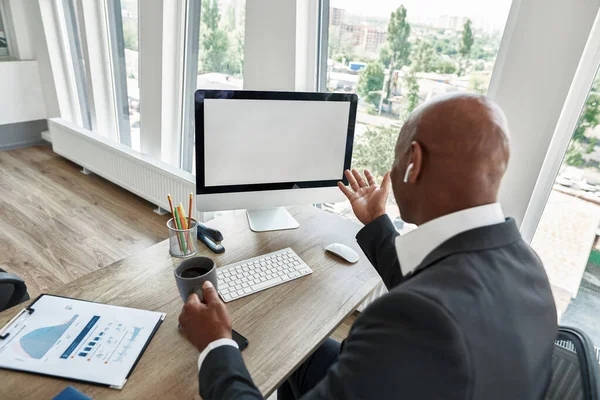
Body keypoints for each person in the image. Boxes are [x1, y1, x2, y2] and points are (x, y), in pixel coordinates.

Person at [179, 93, 558, 399]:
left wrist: (216, 346)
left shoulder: (416, 321)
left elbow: (426, 310)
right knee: (303, 351)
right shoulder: (527, 264)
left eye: (396, 158)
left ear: (414, 162)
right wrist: (378, 223)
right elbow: (439, 287)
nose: (391, 172)